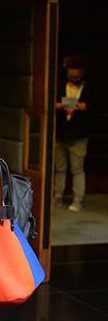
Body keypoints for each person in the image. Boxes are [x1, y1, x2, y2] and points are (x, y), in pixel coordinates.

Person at [55, 54, 94, 212]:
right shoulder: (59, 85)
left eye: (77, 75)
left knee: (77, 168)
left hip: (79, 135)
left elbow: (90, 106)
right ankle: (58, 195)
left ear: (82, 73)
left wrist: (66, 104)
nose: (74, 77)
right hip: (60, 133)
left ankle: (78, 199)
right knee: (59, 168)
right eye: (71, 75)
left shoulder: (90, 87)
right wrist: (73, 105)